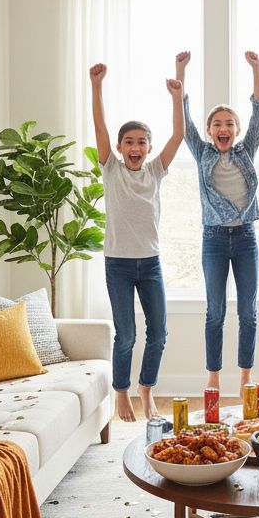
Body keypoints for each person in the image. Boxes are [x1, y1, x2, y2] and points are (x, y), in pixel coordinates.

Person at [90, 61, 184, 422]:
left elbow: (177, 136)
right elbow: (99, 125)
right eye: (128, 141)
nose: (135, 146)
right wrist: (96, 86)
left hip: (151, 263)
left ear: (148, 148)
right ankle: (120, 393)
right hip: (118, 263)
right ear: (118, 146)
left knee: (159, 333)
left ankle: (147, 389)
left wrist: (177, 97)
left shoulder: (156, 170)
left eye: (141, 142)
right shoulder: (111, 169)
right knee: (126, 335)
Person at [176, 49, 259, 393]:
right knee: (215, 311)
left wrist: (256, 68)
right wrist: (180, 71)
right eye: (217, 124)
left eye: (229, 123)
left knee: (249, 312)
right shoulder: (203, 152)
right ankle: (213, 377)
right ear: (211, 131)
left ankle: (245, 377)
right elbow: (184, 123)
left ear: (238, 129)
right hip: (213, 239)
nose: (223, 128)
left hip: (245, 238)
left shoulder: (246, 150)